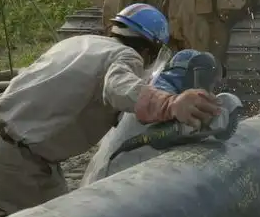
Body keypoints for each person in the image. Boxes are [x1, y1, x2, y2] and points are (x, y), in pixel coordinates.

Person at [0, 3, 221, 212]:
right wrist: (169, 103)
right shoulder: (127, 56)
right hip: (22, 156)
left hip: (7, 137)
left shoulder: (81, 43)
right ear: (148, 50)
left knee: (62, 212)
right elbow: (118, 87)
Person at [81, 49, 222, 186]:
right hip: (116, 188)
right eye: (211, 85)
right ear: (196, 76)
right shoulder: (170, 106)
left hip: (95, 185)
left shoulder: (146, 95)